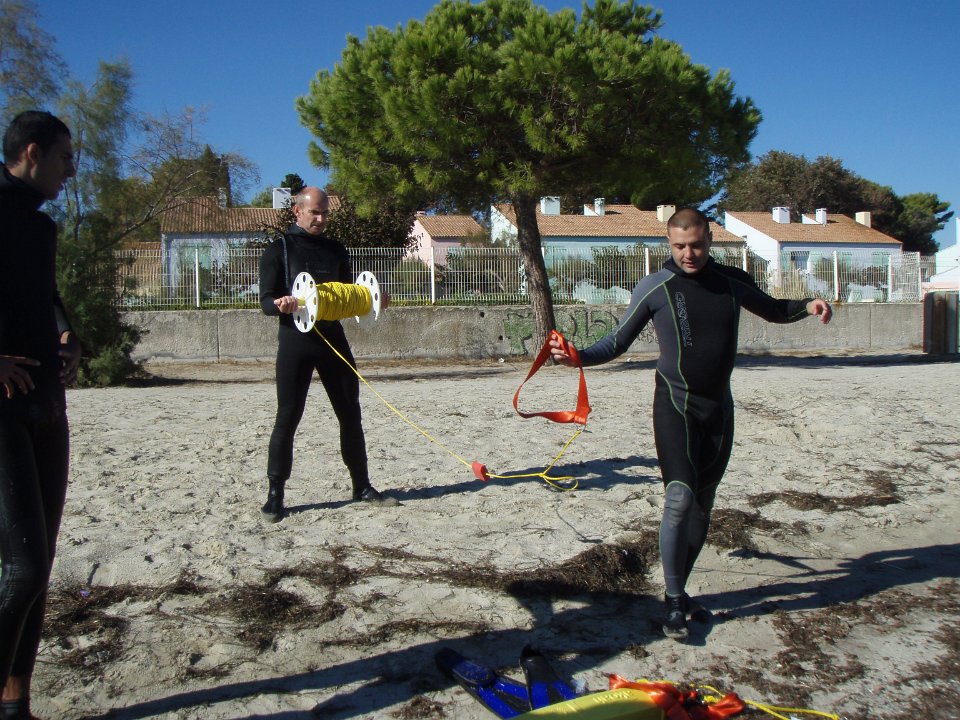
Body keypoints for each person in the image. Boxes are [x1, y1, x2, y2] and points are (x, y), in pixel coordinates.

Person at [550, 207, 831, 641]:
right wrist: (578, 357)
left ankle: (679, 591)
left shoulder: (732, 281)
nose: (688, 254)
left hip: (719, 410)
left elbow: (774, 309)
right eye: (679, 246)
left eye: (696, 245)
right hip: (675, 406)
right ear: (669, 243)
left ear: (710, 240)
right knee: (679, 498)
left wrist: (807, 306)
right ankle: (673, 599)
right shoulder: (656, 286)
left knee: (703, 504)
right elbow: (618, 341)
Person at [0, 110, 81, 720]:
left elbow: (46, 297)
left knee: (42, 562)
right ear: (32, 152)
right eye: (63, 158)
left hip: (47, 401)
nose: (69, 171)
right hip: (2, 409)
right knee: (21, 570)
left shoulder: (42, 226)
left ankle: (16, 703)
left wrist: (67, 333)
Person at [258, 186, 395, 523]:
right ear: (297, 211)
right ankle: (275, 495)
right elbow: (265, 301)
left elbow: (348, 296)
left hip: (333, 341)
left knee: (350, 414)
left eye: (325, 213)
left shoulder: (336, 250)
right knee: (288, 417)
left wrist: (373, 300)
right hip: (296, 343)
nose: (320, 219)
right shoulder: (279, 249)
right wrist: (280, 304)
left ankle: (361, 486)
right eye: (314, 213)